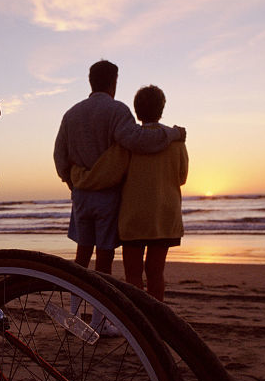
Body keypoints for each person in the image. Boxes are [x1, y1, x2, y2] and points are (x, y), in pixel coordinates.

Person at [53, 61, 185, 277]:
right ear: (113, 82)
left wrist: (72, 182)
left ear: (91, 81)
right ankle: (99, 310)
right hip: (107, 195)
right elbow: (139, 141)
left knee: (82, 255)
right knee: (104, 259)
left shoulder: (71, 114)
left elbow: (60, 156)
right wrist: (173, 134)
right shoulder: (117, 110)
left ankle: (74, 306)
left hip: (81, 194)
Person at [72, 85, 188, 301]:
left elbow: (109, 172)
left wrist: (78, 174)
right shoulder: (177, 142)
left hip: (134, 217)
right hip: (165, 217)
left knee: (133, 275)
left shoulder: (128, 143)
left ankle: (137, 324)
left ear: (136, 111)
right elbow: (181, 177)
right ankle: (156, 323)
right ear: (162, 108)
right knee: (156, 273)